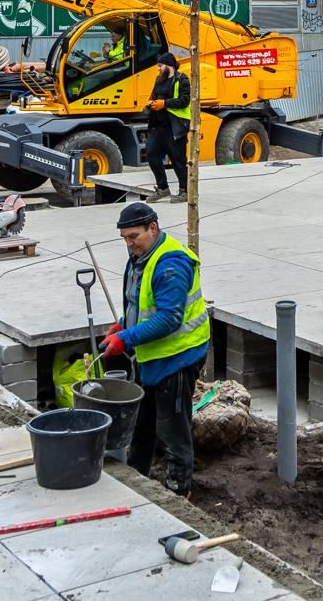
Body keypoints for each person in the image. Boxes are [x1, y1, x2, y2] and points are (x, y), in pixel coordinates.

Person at [99, 201, 208, 495]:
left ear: (153, 228)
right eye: (124, 238)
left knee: (173, 431)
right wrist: (124, 324)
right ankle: (136, 484)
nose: (129, 243)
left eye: (133, 236)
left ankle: (178, 493)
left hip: (177, 357)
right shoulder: (141, 256)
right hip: (152, 357)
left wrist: (126, 338)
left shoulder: (170, 263)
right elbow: (141, 301)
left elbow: (168, 319)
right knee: (142, 424)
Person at [145, 52, 191, 201]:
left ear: (169, 66)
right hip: (158, 126)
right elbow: (155, 97)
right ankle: (162, 188)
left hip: (175, 126)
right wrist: (151, 104)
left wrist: (164, 104)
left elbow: (184, 101)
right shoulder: (159, 80)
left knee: (178, 160)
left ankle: (184, 191)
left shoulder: (181, 79)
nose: (158, 68)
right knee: (152, 154)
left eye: (160, 65)